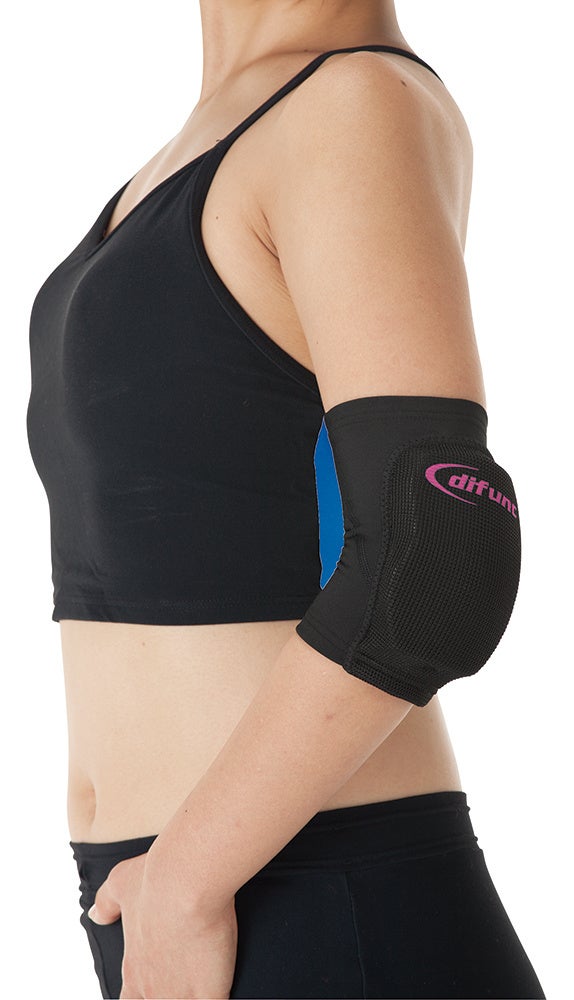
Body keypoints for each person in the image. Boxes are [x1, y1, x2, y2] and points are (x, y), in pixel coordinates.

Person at [26, 1, 546, 997]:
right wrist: (173, 889)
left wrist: (188, 878)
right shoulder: (197, 142)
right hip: (191, 899)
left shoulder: (354, 101)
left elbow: (442, 550)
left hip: (310, 891)